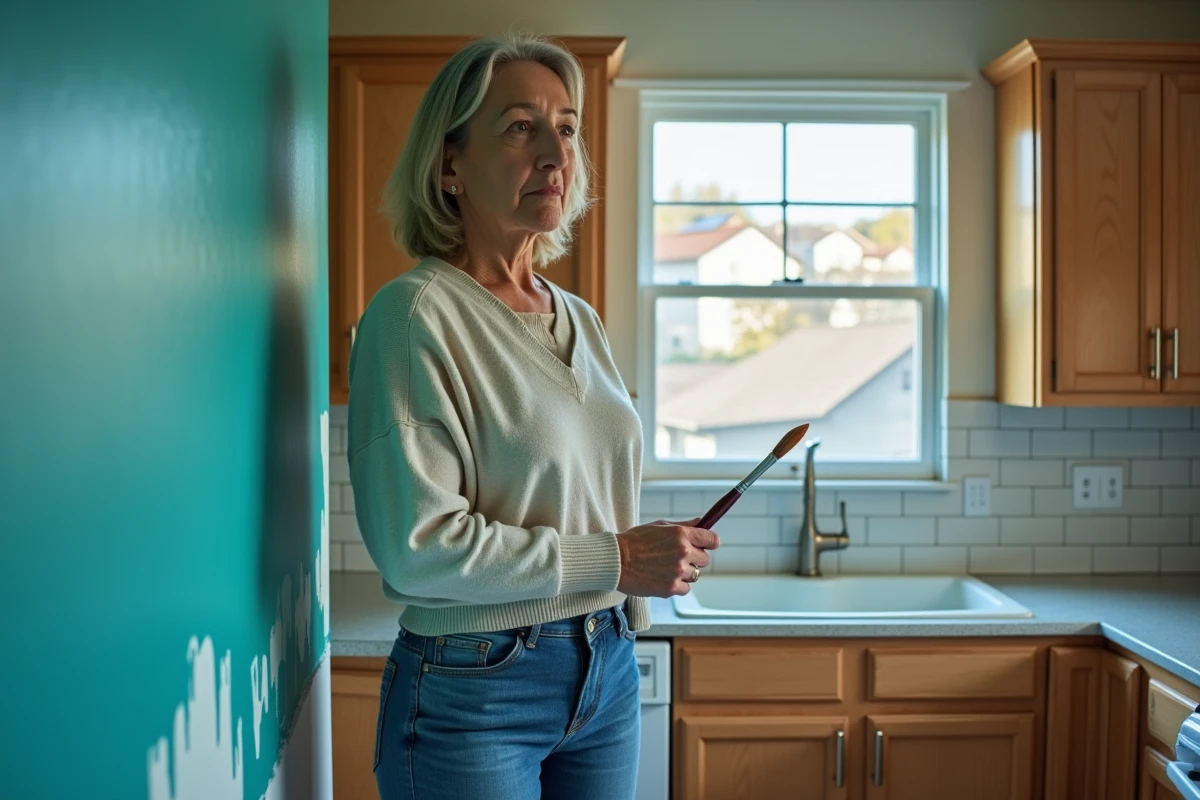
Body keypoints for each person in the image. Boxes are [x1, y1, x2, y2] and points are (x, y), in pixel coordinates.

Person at [346, 33, 720, 800]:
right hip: (475, 687)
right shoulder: (413, 316)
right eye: (521, 127)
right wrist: (617, 559)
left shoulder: (580, 316)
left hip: (607, 662)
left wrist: (637, 569)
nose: (556, 154)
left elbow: (585, 495)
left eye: (567, 128)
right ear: (449, 165)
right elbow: (418, 550)